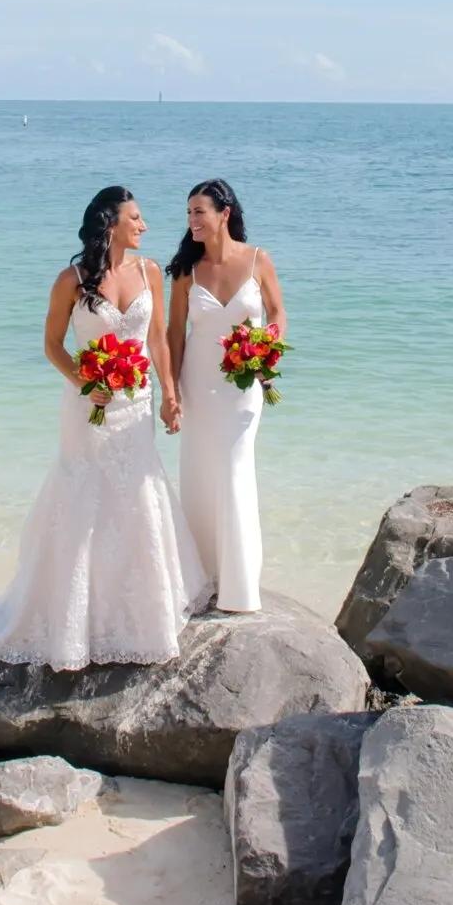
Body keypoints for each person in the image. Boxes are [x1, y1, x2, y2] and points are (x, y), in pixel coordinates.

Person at [0, 186, 208, 672]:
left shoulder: (148, 272)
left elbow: (158, 338)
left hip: (136, 407)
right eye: (135, 218)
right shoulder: (71, 281)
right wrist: (85, 380)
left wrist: (169, 393)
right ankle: (74, 619)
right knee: (83, 499)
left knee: (137, 500)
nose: (143, 226)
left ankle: (143, 613)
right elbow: (53, 345)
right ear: (110, 224)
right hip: (88, 408)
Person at [166, 179, 286, 615]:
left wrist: (267, 353)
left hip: (242, 384)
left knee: (235, 470)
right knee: (199, 474)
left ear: (224, 214)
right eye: (189, 214)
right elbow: (173, 333)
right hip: (198, 382)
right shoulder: (186, 270)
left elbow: (277, 311)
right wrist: (171, 390)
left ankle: (238, 587)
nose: (192, 221)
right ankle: (201, 578)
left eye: (200, 212)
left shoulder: (258, 260)